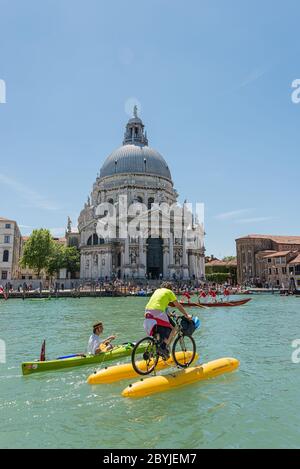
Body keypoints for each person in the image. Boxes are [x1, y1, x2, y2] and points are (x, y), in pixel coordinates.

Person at [144, 282, 192, 360]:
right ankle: (163, 347)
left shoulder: (157, 291)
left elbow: (163, 306)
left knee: (159, 330)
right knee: (174, 327)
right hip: (157, 313)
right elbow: (178, 305)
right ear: (170, 288)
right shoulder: (169, 292)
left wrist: (170, 314)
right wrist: (186, 315)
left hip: (147, 312)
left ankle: (156, 347)